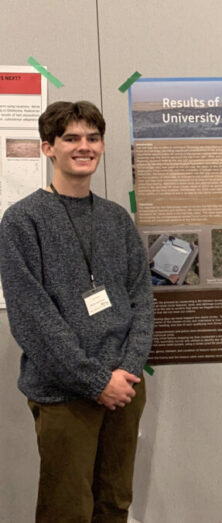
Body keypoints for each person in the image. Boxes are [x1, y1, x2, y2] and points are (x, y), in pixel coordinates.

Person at [0, 101, 154, 522]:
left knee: (114, 503)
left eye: (92, 138)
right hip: (65, 394)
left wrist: (127, 369)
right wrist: (95, 380)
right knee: (65, 511)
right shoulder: (22, 222)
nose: (83, 147)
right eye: (71, 138)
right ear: (48, 147)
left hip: (124, 389)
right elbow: (32, 320)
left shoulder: (116, 219)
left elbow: (141, 299)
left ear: (102, 146)